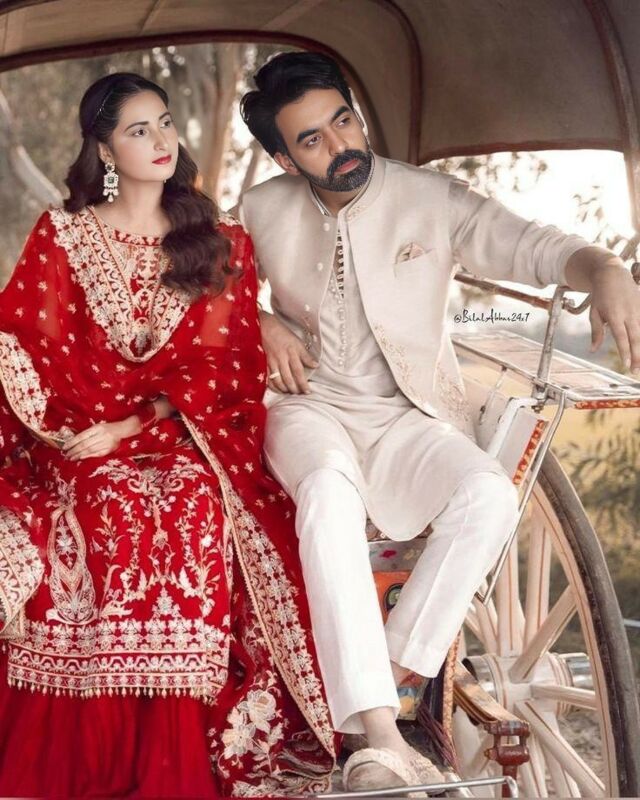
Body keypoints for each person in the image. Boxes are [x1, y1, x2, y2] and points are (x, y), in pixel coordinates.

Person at [235, 51, 640, 791]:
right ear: (285, 159)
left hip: (408, 412)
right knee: (327, 493)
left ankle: (391, 675)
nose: (341, 144)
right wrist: (257, 320)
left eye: (344, 120)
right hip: (307, 406)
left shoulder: (428, 198)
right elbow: (206, 278)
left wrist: (604, 268)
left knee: (487, 495)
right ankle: (381, 735)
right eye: (313, 140)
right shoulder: (262, 209)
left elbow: (534, 245)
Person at [0, 72, 336, 798]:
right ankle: (101, 759)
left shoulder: (217, 242)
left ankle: (174, 761)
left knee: (189, 506)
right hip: (79, 434)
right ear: (104, 149)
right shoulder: (63, 235)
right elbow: (28, 340)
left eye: (164, 124)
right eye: (138, 130)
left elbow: (225, 368)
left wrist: (136, 422)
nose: (160, 141)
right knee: (99, 503)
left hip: (182, 435)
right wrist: (76, 427)